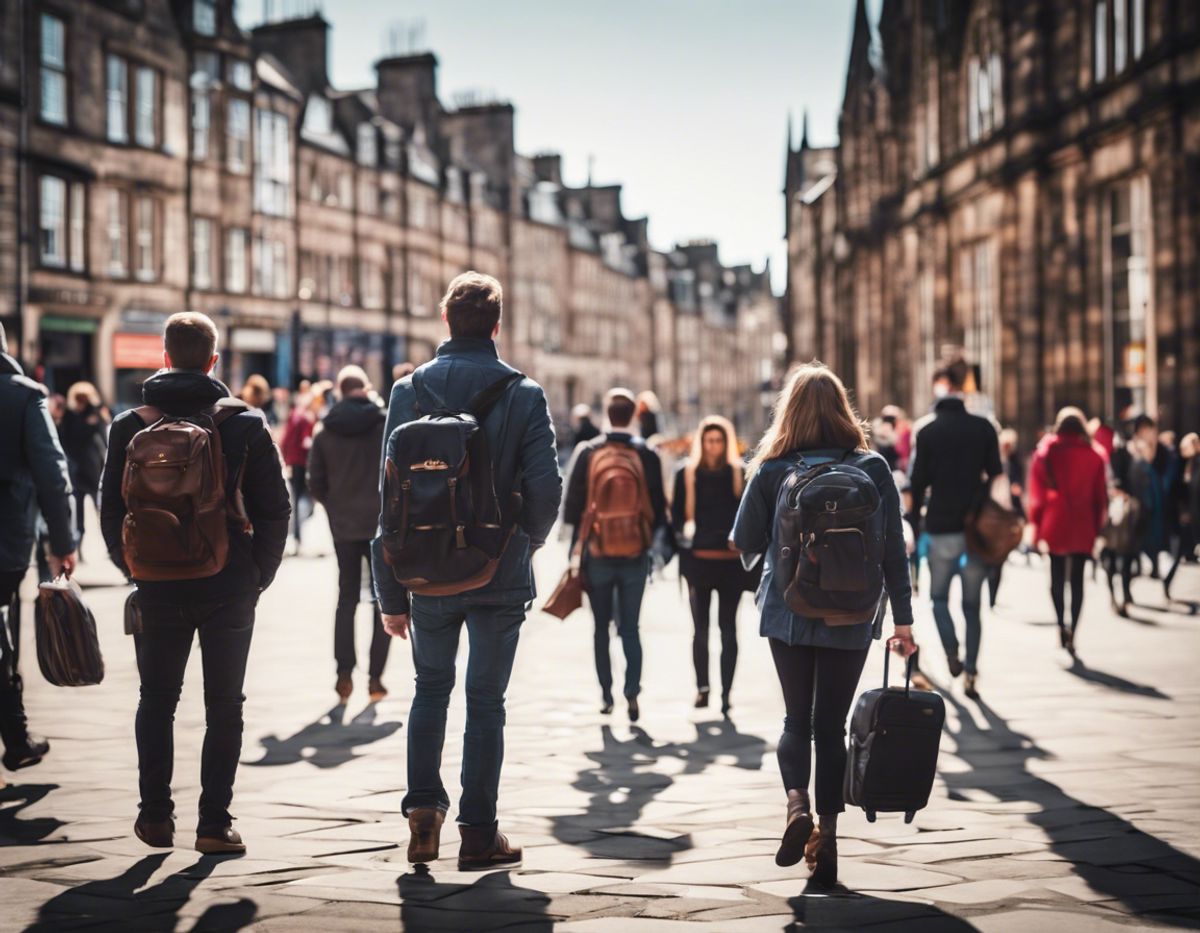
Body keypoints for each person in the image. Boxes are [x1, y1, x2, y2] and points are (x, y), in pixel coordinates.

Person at [372, 272, 561, 871]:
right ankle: (479, 835)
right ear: (497, 325)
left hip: (427, 569)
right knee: (485, 701)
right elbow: (546, 490)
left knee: (430, 689)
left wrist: (389, 592)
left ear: (445, 322)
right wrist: (521, 545)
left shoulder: (408, 391)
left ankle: (423, 812)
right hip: (497, 570)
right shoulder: (524, 393)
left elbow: (390, 496)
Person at [100, 312, 290, 855]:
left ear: (164, 356)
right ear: (214, 361)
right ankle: (213, 825)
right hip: (228, 580)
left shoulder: (129, 425)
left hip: (156, 581)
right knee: (224, 705)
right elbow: (275, 510)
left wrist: (131, 567)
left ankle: (155, 817)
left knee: (155, 699)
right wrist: (257, 575)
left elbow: (110, 507)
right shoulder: (244, 424)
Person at [731, 362, 915, 889]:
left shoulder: (771, 469)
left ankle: (796, 806)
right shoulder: (874, 467)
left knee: (795, 720)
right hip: (854, 611)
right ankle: (829, 836)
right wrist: (903, 620)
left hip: (788, 610)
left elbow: (743, 541)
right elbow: (892, 554)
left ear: (788, 412)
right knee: (830, 725)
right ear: (843, 409)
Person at [563, 388, 669, 721]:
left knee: (599, 628)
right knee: (630, 629)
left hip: (597, 552)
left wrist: (573, 551)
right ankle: (632, 692)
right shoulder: (646, 453)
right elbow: (659, 509)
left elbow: (573, 506)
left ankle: (606, 695)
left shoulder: (588, 451)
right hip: (635, 553)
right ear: (633, 416)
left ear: (607, 414)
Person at [0, 322, 76, 773]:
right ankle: (16, 734)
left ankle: (17, 735)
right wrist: (63, 542)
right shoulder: (24, 395)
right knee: (4, 625)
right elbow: (53, 473)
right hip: (6, 538)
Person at [909, 360, 1001, 699]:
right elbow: (996, 475)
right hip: (976, 529)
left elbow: (917, 483)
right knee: (973, 607)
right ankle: (972, 673)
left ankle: (951, 651)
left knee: (938, 599)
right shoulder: (984, 428)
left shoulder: (927, 431)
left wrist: (915, 526)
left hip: (941, 527)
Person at [308, 365, 391, 704]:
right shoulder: (384, 425)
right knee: (381, 598)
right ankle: (375, 678)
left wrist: (336, 507)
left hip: (343, 526)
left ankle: (344, 674)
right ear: (366, 388)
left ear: (340, 392)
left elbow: (315, 484)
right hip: (380, 523)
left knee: (346, 597)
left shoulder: (325, 431)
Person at [671, 415, 746, 716]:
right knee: (699, 630)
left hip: (730, 564)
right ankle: (703, 688)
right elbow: (676, 517)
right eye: (708, 440)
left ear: (726, 443)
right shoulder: (686, 474)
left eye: (718, 440)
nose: (713, 446)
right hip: (699, 562)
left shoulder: (740, 473)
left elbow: (749, 518)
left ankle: (727, 694)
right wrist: (685, 543)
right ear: (701, 442)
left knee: (728, 629)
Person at [1026, 408, 1108, 655]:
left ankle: (1061, 623)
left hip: (1056, 520)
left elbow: (1036, 495)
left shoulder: (1047, 451)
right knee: (1078, 580)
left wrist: (1037, 524)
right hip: (1083, 522)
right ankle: (1075, 629)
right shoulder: (1094, 455)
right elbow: (1100, 498)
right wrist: (1098, 527)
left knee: (1056, 576)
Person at [60, 381, 109, 551]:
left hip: (92, 465)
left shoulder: (95, 413)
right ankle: (78, 543)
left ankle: (107, 543)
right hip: (76, 465)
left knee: (99, 506)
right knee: (78, 508)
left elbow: (103, 437)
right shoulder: (70, 414)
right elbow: (65, 438)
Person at [279, 388, 319, 552]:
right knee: (303, 500)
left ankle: (296, 537)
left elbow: (286, 439)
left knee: (296, 499)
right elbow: (305, 441)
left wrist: (285, 458)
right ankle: (297, 536)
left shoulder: (295, 415)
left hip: (294, 462)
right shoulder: (304, 418)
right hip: (302, 463)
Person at [1164, 432, 1199, 601]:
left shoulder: (1195, 464)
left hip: (1193, 518)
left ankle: (1167, 581)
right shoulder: (1181, 464)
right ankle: (1167, 581)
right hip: (1185, 518)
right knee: (1178, 555)